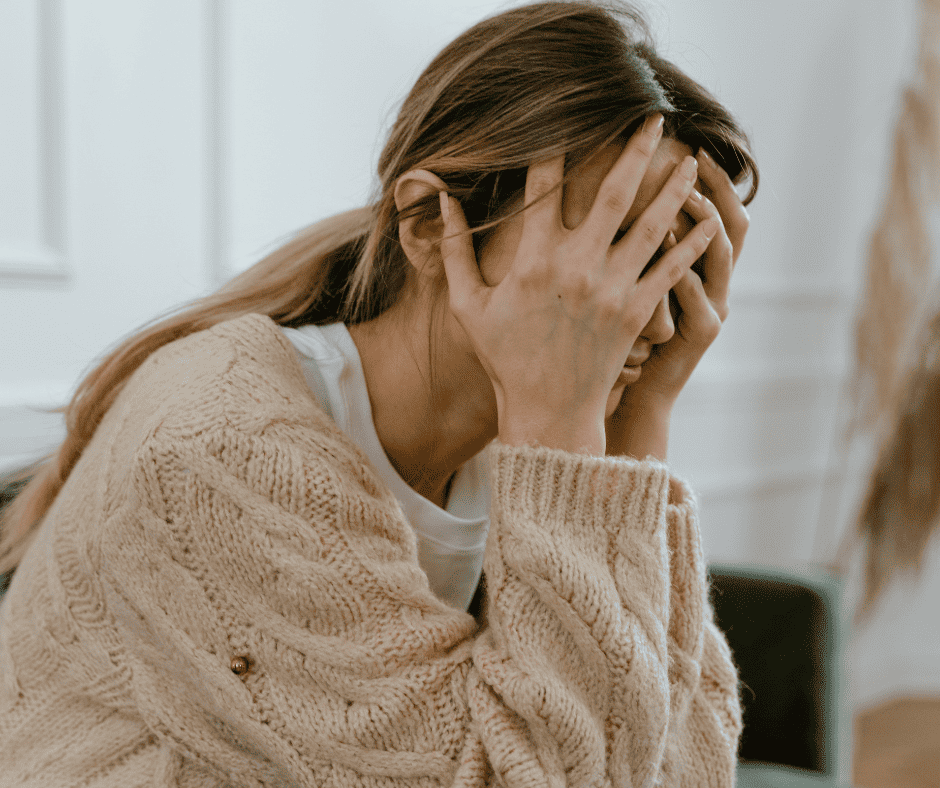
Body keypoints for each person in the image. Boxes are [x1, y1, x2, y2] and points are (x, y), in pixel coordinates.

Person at [0, 1, 757, 785]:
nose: (647, 312)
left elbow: (679, 767)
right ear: (431, 224)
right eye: (610, 246)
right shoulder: (221, 449)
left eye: (680, 259)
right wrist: (575, 436)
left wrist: (639, 425)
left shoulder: (533, 434)